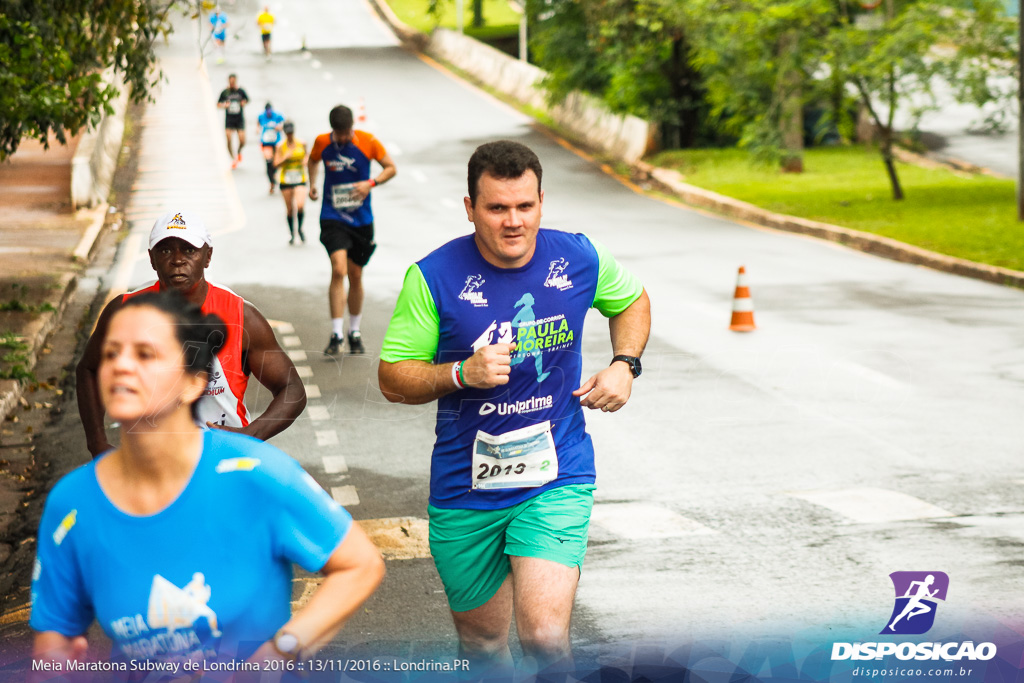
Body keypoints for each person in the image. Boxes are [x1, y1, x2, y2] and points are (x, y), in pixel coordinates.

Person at [377, 140, 650, 677]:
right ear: (470, 207)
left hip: (556, 475)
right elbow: (392, 378)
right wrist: (461, 373)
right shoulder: (433, 277)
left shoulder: (578, 257)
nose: (513, 222)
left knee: (545, 637)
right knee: (482, 647)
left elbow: (632, 301)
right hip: (465, 488)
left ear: (542, 202)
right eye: (497, 208)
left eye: (525, 206)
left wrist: (625, 364)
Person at [33, 290, 385, 670]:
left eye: (145, 354)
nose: (122, 366)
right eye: (111, 353)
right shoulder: (72, 503)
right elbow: (57, 633)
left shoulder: (255, 474)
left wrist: (281, 650)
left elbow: (360, 564)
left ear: (193, 382)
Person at [76, 209, 307, 458]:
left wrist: (251, 435)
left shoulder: (241, 316)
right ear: (151, 259)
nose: (177, 260)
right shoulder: (124, 312)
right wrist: (96, 442)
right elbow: (88, 369)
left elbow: (291, 389)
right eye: (165, 250)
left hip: (223, 462)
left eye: (189, 250)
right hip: (150, 467)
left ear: (207, 257)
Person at [307, 104, 397, 356]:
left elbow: (391, 168)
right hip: (332, 215)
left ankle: (353, 331)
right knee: (339, 269)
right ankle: (336, 333)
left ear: (352, 128)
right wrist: (312, 185)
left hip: (362, 219)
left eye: (346, 133)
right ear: (332, 130)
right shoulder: (322, 142)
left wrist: (371, 183)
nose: (343, 138)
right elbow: (312, 161)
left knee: (355, 275)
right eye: (339, 134)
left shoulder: (368, 142)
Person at [273, 121, 309, 245]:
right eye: (287, 133)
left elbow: (307, 156)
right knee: (290, 209)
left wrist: (305, 161)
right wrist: (285, 158)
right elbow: (275, 163)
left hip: (300, 178)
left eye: (291, 133)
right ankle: (292, 233)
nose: (289, 135)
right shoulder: (280, 146)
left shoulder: (302, 143)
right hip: (286, 180)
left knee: (300, 205)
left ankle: (300, 229)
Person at [217, 74, 249, 169]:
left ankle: (239, 151)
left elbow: (247, 100)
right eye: (230, 82)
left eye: (233, 82)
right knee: (228, 138)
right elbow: (218, 104)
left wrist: (244, 103)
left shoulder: (240, 91)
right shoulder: (225, 92)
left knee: (242, 140)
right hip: (229, 119)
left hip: (239, 119)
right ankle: (233, 157)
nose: (232, 83)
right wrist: (224, 105)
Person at [258, 102, 285, 193]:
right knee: (268, 161)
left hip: (276, 142)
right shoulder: (261, 116)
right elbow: (258, 124)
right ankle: (272, 183)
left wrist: (280, 127)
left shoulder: (277, 116)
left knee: (276, 161)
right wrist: (257, 129)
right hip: (266, 142)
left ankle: (276, 175)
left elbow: (282, 124)